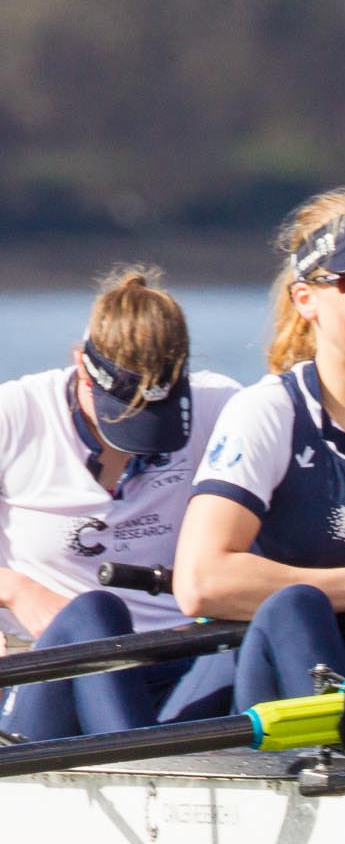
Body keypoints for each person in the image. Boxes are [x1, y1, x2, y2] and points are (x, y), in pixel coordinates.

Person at [174, 187, 345, 708]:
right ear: (305, 299)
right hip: (286, 678)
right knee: (298, 609)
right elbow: (201, 581)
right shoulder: (268, 413)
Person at [0, 267, 241, 739]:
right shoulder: (15, 414)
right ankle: (145, 769)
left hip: (179, 662)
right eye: (127, 418)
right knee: (97, 612)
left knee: (264, 626)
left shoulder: (222, 406)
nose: (138, 442)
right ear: (83, 373)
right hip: (45, 669)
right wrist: (16, 590)